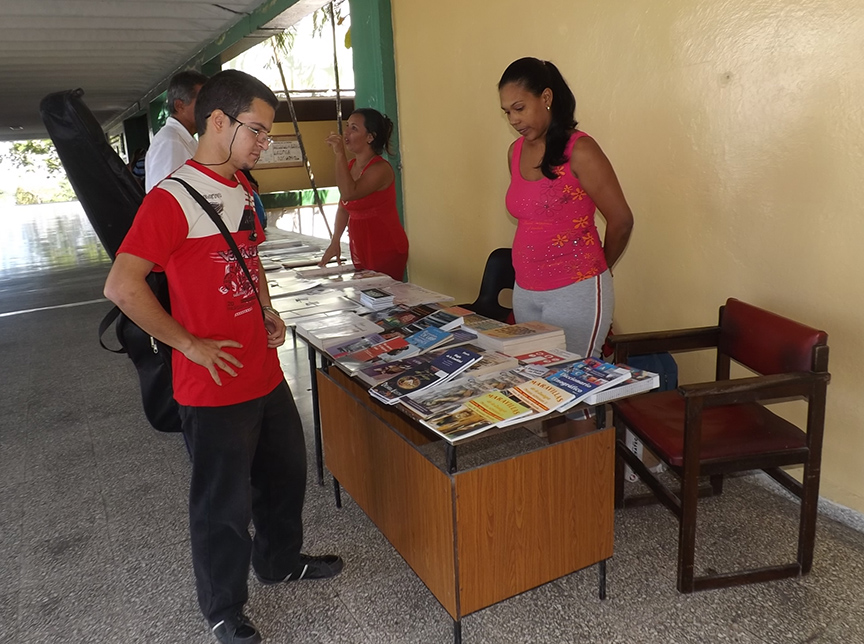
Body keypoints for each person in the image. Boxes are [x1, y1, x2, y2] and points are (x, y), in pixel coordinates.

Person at [104, 69, 343, 644]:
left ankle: (280, 561)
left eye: (266, 134)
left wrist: (265, 310)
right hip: (211, 384)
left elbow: (249, 260)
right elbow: (122, 285)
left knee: (286, 473)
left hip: (261, 370)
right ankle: (222, 609)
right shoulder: (172, 198)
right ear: (218, 122)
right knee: (222, 503)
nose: (265, 144)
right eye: (257, 132)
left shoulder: (244, 187)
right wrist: (188, 342)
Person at [499, 57, 633, 360]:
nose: (513, 120)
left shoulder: (581, 151)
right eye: (507, 112)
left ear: (546, 98)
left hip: (576, 289)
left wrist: (600, 268)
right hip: (526, 288)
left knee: (573, 385)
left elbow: (621, 220)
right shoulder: (515, 152)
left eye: (519, 108)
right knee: (536, 379)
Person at [319, 108, 409, 281]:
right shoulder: (352, 166)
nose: (346, 133)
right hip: (360, 245)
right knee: (364, 294)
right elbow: (344, 206)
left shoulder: (380, 169)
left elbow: (349, 193)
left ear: (370, 137)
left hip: (385, 245)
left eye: (354, 128)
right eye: (347, 126)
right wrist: (335, 240)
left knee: (382, 297)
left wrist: (339, 155)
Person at [145, 69, 209, 192]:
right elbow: (165, 197)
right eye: (202, 102)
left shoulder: (184, 139)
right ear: (180, 105)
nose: (208, 108)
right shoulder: (170, 142)